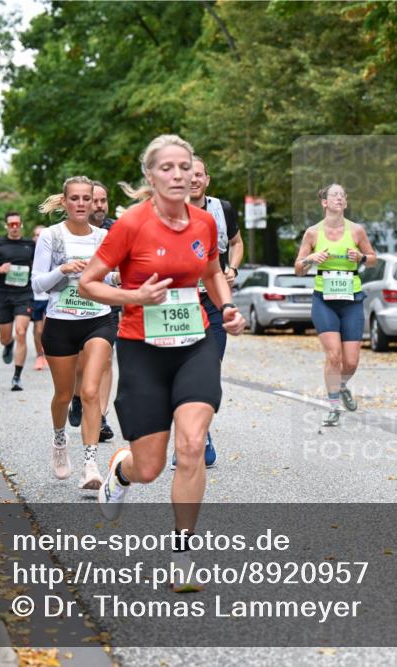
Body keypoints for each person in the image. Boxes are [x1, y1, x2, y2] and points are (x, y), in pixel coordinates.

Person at [78, 135, 246, 585]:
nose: (178, 175)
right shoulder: (130, 225)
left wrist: (227, 307)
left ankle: (182, 555)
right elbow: (88, 284)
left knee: (191, 444)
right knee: (149, 467)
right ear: (150, 176)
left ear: (196, 174)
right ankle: (121, 471)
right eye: (167, 168)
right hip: (142, 347)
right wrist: (134, 295)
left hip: (196, 342)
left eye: (185, 167)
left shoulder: (205, 223)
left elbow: (212, 272)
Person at [32, 176, 118, 490]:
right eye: (76, 199)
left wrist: (114, 278)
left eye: (87, 198)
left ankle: (91, 464)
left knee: (92, 391)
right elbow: (38, 284)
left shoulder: (104, 236)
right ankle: (59, 441)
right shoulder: (51, 237)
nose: (82, 204)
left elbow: (112, 279)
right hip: (61, 321)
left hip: (98, 318)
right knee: (64, 395)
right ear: (65, 202)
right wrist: (63, 270)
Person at [171, 156, 244, 469]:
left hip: (214, 301)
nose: (195, 179)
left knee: (208, 371)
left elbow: (238, 243)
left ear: (207, 179)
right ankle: (188, 441)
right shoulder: (170, 210)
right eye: (191, 174)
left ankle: (200, 431)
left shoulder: (223, 209)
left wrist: (233, 269)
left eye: (200, 174)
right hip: (180, 303)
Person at [294, 183, 377, 427]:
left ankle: (340, 386)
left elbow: (373, 260)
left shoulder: (356, 231)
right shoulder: (312, 233)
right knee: (334, 356)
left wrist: (361, 258)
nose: (340, 198)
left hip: (351, 300)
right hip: (324, 300)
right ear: (325, 202)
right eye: (335, 195)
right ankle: (332, 407)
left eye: (343, 195)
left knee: (351, 362)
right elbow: (298, 269)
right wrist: (310, 258)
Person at [67, 182, 116, 442]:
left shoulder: (117, 229)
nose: (99, 205)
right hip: (78, 302)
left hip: (108, 302)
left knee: (107, 359)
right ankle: (77, 396)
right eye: (94, 200)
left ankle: (101, 416)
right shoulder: (74, 230)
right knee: (79, 361)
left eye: (103, 200)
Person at [0, 211, 36, 391]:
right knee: (5, 337)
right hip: (2, 295)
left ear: (21, 225)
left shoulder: (31, 245)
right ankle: (8, 344)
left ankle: (16, 377)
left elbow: (40, 267)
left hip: (24, 295)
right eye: (10, 224)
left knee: (21, 332)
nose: (14, 227)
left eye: (17, 224)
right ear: (6, 226)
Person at [30, 225, 49, 371]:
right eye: (36, 235)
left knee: (47, 327)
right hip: (34, 297)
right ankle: (39, 355)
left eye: (41, 234)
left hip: (50, 297)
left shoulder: (53, 251)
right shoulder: (27, 253)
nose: (39, 237)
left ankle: (48, 354)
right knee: (38, 329)